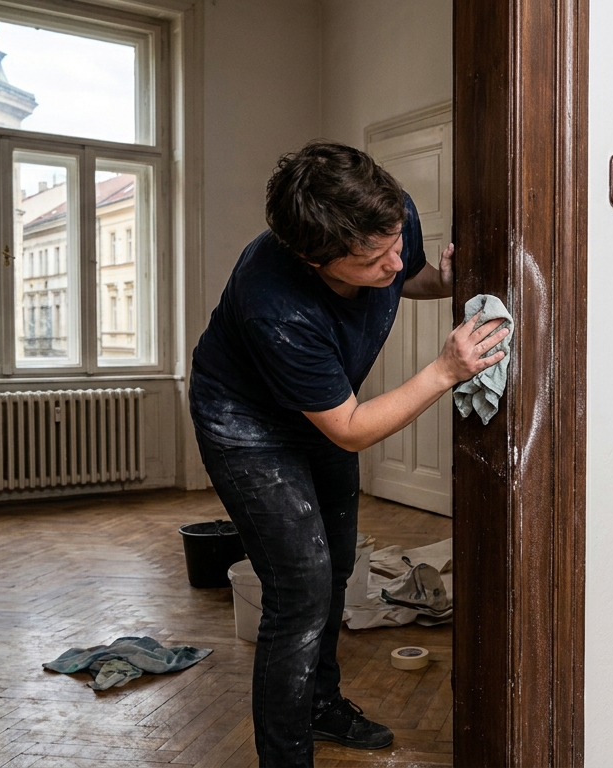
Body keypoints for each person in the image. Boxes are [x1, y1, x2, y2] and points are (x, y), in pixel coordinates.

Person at [188, 140, 507, 766]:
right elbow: (353, 429)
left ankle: (320, 704)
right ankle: (286, 757)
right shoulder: (273, 303)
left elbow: (406, 276)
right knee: (297, 591)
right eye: (373, 258)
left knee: (334, 564)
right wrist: (444, 371)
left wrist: (439, 278)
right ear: (314, 260)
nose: (394, 260)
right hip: (248, 426)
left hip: (326, 407)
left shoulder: (385, 214)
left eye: (396, 241)